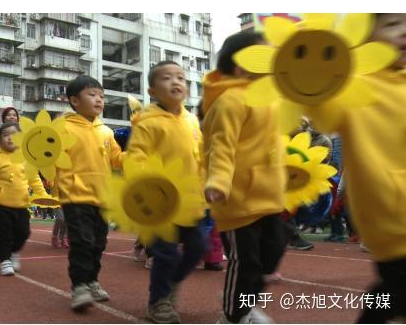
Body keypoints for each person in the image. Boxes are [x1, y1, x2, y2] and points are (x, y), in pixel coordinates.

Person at [304, 14, 406, 324]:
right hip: (391, 218)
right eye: (392, 24)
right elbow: (323, 115)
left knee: (393, 293)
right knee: (396, 290)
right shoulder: (356, 86)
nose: (403, 32)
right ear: (366, 38)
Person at [202, 31, 286, 324]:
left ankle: (246, 305)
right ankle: (231, 317)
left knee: (272, 254)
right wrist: (218, 181)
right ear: (242, 67)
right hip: (238, 199)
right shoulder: (231, 100)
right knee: (246, 261)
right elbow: (222, 145)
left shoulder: (272, 101)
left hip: (269, 197)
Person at [125, 61, 206, 324]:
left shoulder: (192, 120)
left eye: (181, 78)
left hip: (191, 202)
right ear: (152, 91)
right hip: (160, 203)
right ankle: (158, 301)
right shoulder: (148, 122)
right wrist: (143, 183)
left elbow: (201, 159)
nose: (176, 82)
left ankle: (171, 284)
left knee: (197, 248)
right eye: (167, 78)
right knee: (166, 253)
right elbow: (136, 156)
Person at [53, 75, 123, 311]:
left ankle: (92, 280)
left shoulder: (106, 132)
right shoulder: (63, 127)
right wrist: (52, 184)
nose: (99, 100)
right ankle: (79, 286)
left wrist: (139, 155)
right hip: (75, 195)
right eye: (92, 95)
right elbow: (48, 157)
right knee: (82, 241)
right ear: (74, 100)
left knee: (98, 243)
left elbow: (117, 160)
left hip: (102, 197)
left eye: (102, 96)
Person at [0, 121, 50, 276]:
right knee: (3, 234)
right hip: (0, 204)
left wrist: (42, 194)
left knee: (24, 232)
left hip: (22, 204)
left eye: (14, 135)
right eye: (5, 135)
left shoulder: (26, 158)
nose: (10, 138)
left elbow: (34, 179)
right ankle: (5, 261)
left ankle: (14, 252)